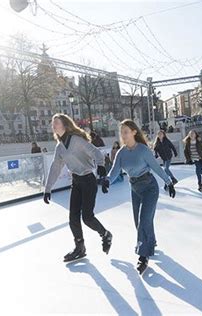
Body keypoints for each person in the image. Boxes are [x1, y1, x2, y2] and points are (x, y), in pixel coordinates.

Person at [107, 119, 176, 275]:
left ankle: (143, 255)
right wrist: (106, 181)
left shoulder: (143, 150)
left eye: (126, 132)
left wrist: (169, 182)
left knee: (144, 220)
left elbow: (156, 167)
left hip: (149, 188)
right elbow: (115, 170)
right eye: (121, 132)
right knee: (139, 221)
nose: (123, 135)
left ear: (134, 132)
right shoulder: (121, 153)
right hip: (135, 189)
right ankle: (151, 241)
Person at [43, 114, 113, 263]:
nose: (53, 125)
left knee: (87, 217)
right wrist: (47, 188)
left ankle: (105, 234)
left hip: (88, 180)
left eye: (56, 122)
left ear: (65, 125)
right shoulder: (60, 147)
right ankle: (80, 248)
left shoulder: (76, 140)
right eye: (52, 123)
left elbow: (95, 152)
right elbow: (55, 168)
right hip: (76, 182)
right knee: (73, 218)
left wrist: (100, 165)